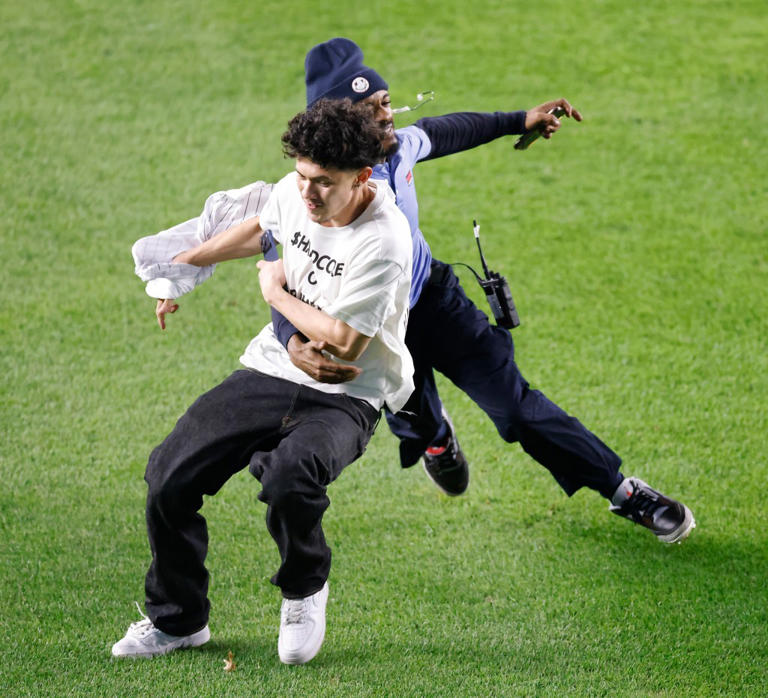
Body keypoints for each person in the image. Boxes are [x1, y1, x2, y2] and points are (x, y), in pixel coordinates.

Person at [268, 38, 695, 543]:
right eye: (369, 110)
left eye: (385, 101)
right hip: (374, 331)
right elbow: (277, 268)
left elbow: (443, 130)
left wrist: (518, 119)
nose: (386, 116)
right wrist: (290, 340)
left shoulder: (399, 148)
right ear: (338, 127)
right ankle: (436, 439)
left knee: (515, 407)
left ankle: (623, 491)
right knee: (416, 422)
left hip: (435, 303)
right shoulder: (307, 193)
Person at [113, 98, 414, 665]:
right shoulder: (295, 194)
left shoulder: (385, 240)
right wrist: (182, 266)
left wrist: (273, 291)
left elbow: (342, 343)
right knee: (168, 475)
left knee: (289, 476)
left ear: (362, 177)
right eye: (302, 176)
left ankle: (303, 589)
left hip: (349, 394)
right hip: (271, 369)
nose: (308, 193)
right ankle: (178, 621)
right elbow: (261, 230)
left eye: (323, 182)